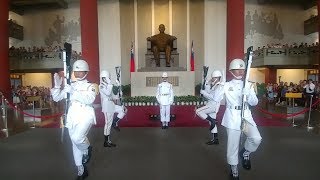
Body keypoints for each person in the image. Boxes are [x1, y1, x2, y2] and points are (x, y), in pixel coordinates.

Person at [213, 59, 262, 180]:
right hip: (232, 116)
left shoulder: (249, 84)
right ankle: (234, 169)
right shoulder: (226, 85)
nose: (240, 71)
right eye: (237, 69)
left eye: (242, 69)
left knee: (256, 138)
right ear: (231, 71)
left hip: (246, 116)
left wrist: (249, 94)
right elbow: (216, 99)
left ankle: (245, 153)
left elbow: (254, 103)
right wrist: (220, 86)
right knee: (233, 145)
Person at [51, 59, 98, 180]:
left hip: (85, 115)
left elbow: (89, 99)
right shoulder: (70, 85)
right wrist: (57, 86)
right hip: (72, 116)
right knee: (74, 143)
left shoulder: (91, 86)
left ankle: (87, 149)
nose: (77, 73)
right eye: (76, 71)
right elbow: (56, 98)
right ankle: (81, 170)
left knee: (78, 138)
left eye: (80, 71)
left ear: (86, 72)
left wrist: (73, 91)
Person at [99, 70, 127, 147]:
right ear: (103, 78)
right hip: (107, 106)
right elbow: (107, 93)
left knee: (123, 110)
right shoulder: (101, 86)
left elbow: (114, 96)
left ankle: (115, 122)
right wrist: (110, 84)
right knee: (108, 124)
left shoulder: (108, 85)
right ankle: (106, 141)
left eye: (109, 77)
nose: (109, 79)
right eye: (108, 77)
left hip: (112, 104)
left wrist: (118, 87)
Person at [196, 70, 223, 145]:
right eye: (213, 77)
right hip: (211, 104)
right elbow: (208, 93)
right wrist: (206, 84)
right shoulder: (214, 85)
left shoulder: (219, 86)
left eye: (214, 78)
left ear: (218, 78)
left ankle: (213, 121)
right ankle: (215, 139)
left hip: (213, 105)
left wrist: (203, 92)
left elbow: (214, 98)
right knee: (211, 122)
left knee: (198, 111)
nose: (213, 79)